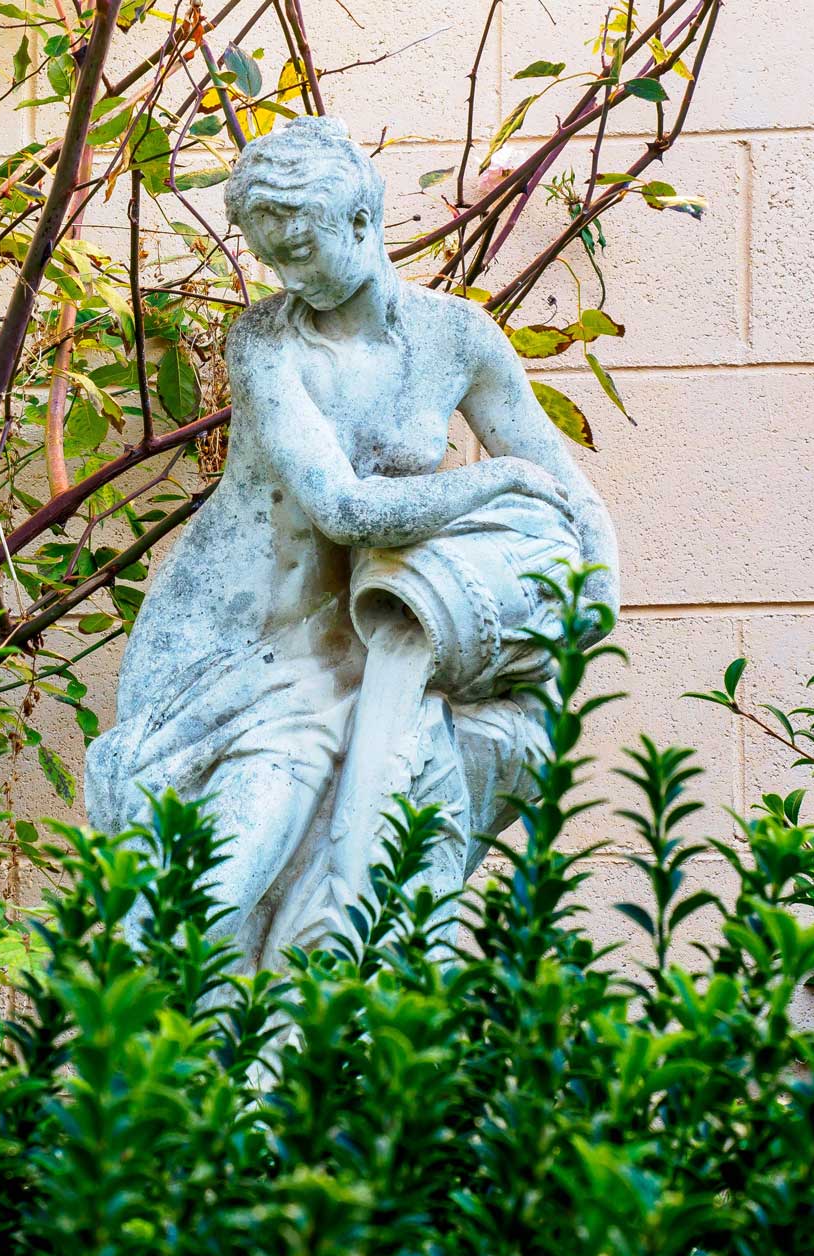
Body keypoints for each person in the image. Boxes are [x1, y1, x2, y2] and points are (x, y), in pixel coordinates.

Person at [85, 116, 618, 971]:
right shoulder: (266, 343)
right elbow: (342, 508)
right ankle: (167, 1087)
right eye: (270, 252)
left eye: (301, 247)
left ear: (363, 223)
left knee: (365, 892)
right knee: (215, 891)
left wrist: (597, 590)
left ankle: (309, 1085)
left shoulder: (458, 338)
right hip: (240, 647)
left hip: (361, 641)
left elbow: (562, 483)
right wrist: (492, 482)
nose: (283, 271)